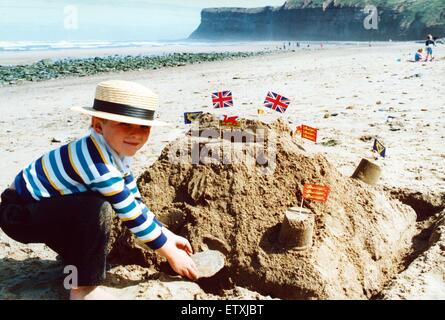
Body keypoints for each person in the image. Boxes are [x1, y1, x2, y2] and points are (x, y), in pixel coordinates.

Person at [0, 80, 199, 300]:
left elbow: (134, 200)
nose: (136, 134)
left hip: (49, 209)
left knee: (94, 206)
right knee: (97, 209)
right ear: (97, 125)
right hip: (19, 215)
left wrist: (167, 234)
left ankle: (73, 265)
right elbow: (130, 215)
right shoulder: (95, 162)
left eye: (144, 127)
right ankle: (81, 290)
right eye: (124, 124)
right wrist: (170, 253)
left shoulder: (113, 153)